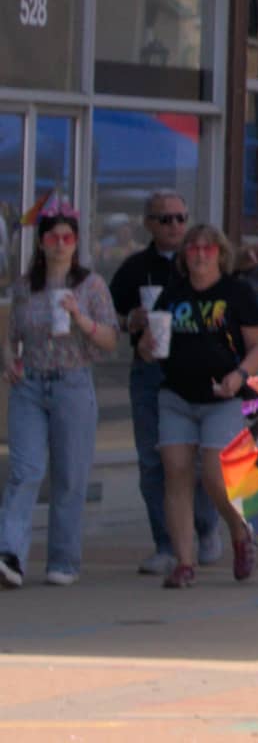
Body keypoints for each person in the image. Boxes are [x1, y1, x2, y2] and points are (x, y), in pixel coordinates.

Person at [142, 218, 258, 588]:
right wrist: (147, 346)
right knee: (176, 473)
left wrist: (240, 376)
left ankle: (239, 531)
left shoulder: (236, 293)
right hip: (177, 395)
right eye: (193, 248)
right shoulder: (173, 294)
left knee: (215, 475)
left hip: (223, 396)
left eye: (207, 248)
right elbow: (149, 347)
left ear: (220, 255)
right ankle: (184, 563)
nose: (199, 255)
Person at [5, 209, 118, 584]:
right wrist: (9, 360)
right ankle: (10, 556)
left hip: (73, 382)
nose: (59, 244)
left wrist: (79, 318)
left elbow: (110, 340)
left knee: (70, 475)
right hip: (31, 384)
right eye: (52, 237)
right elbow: (10, 339)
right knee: (25, 470)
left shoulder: (92, 286)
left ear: (76, 243)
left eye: (67, 238)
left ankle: (63, 561)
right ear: (41, 243)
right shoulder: (24, 287)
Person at [105, 191, 199, 579]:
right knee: (152, 460)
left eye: (180, 218)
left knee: (198, 460)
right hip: (149, 370)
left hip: (194, 372)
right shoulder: (134, 268)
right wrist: (131, 322)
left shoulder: (198, 263)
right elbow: (110, 316)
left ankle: (203, 532)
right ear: (148, 225)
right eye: (165, 219)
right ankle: (167, 544)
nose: (174, 226)